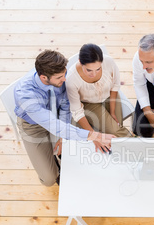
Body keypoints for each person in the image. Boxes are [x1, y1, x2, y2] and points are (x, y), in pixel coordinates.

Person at [14, 50, 115, 186]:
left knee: (82, 150)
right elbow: (53, 125)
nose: (65, 79)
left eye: (64, 73)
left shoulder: (60, 77)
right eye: (60, 77)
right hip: (33, 125)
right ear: (44, 78)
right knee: (49, 179)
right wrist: (93, 135)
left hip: (57, 116)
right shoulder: (25, 95)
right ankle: (54, 166)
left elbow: (65, 105)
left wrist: (63, 138)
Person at [66, 44, 132, 152]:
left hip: (110, 96)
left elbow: (115, 86)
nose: (94, 74)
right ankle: (138, 149)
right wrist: (93, 136)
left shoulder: (109, 62)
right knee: (115, 131)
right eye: (89, 70)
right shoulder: (71, 80)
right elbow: (77, 112)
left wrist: (113, 112)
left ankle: (129, 149)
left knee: (117, 128)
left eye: (98, 69)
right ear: (79, 61)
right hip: (90, 103)